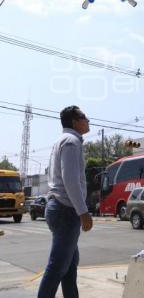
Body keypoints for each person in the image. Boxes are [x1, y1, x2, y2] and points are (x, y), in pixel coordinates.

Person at [37, 105, 93, 298]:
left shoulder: (63, 140)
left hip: (60, 209)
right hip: (65, 210)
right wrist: (83, 212)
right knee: (57, 267)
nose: (88, 120)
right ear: (75, 121)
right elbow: (70, 180)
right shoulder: (70, 141)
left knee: (69, 266)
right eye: (84, 116)